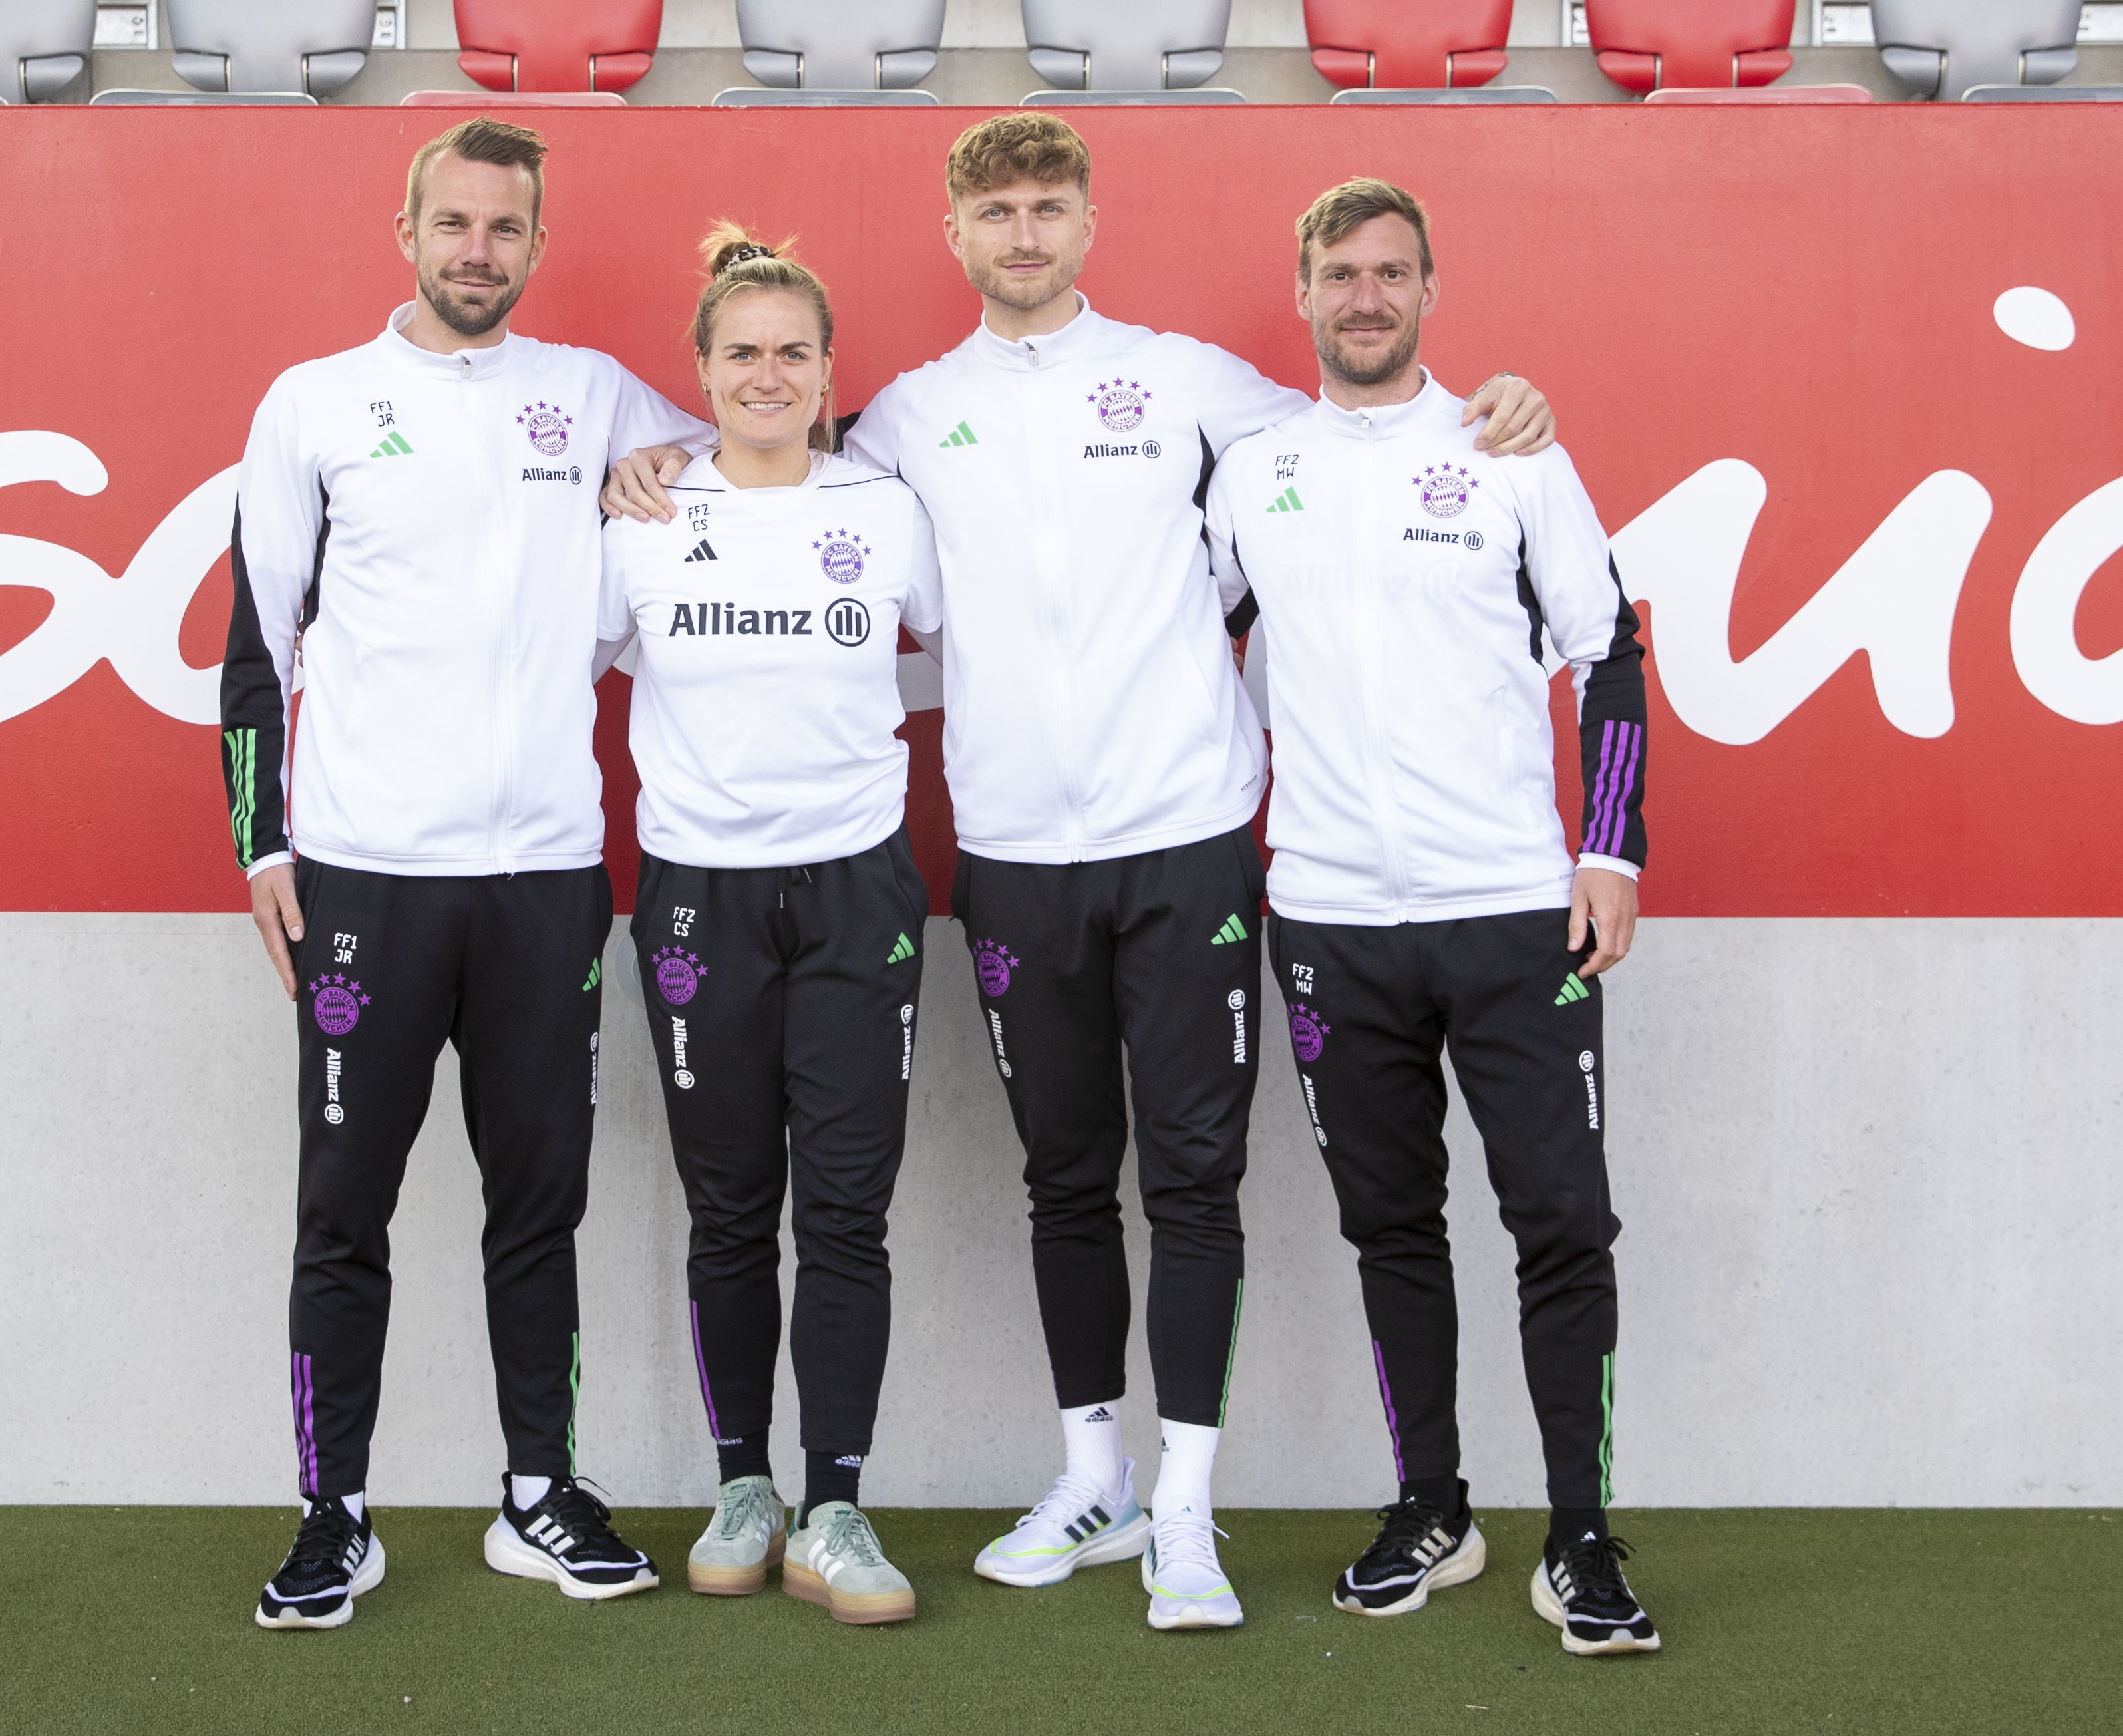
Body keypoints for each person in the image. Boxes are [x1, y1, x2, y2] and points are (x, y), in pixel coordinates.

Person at [609, 114, 1559, 1633]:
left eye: (1050, 207)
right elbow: (767, 475)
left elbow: (1362, 425)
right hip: (1009, 859)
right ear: (956, 236)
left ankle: (1186, 1509)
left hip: (1186, 842)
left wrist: (1495, 406)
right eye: (998, 215)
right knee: (1066, 1184)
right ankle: (1094, 1478)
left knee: (1191, 1182)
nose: (1026, 235)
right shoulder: (909, 420)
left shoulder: (1192, 387)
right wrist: (646, 460)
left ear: (1086, 222)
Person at [218, 116, 714, 1630]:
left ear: (534, 246)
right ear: (407, 232)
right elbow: (254, 644)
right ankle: (334, 1513)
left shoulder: (590, 394)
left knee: (536, 1204)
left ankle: (535, 1494)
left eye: (504, 229)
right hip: (364, 882)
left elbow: (743, 461)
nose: (478, 252)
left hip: (545, 880)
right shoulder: (312, 405)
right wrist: (262, 840)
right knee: (342, 1214)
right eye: (454, 225)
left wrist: (668, 460)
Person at [1204, 177, 1659, 1656]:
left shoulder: (1511, 451)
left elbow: (1604, 648)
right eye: (1339, 272)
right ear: (1302, 292)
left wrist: (1609, 853)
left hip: (1515, 913)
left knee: (1559, 1222)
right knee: (1389, 1223)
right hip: (1330, 918)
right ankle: (1432, 1509)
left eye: (1390, 272)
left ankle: (1577, 1538)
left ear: (1428, 291)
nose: (1364, 296)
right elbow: (1179, 652)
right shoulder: (1252, 471)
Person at [594, 224, 943, 1626]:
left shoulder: (888, 508)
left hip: (860, 892)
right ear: (700, 371)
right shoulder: (639, 516)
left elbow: (945, 648)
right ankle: (744, 1485)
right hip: (695, 897)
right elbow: (560, 670)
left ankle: (836, 1504)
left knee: (845, 1216)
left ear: (826, 371)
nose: (766, 372)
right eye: (739, 352)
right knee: (731, 1213)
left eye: (792, 351)